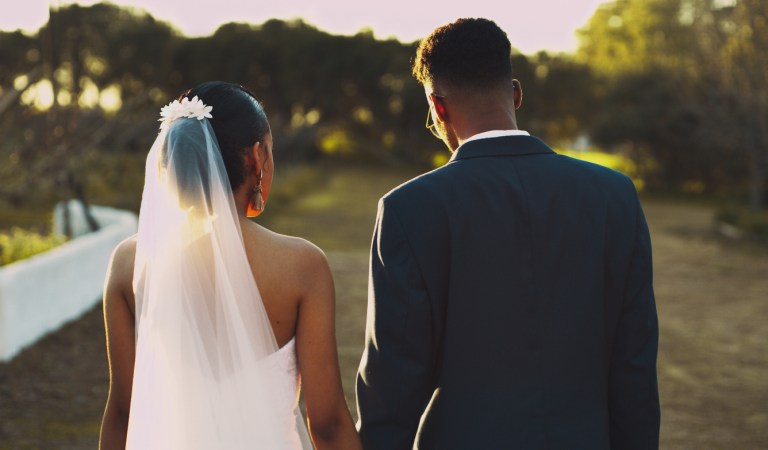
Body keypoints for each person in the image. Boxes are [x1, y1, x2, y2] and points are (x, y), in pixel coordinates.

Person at [356, 18, 660, 450]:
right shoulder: (615, 196)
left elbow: (393, 385)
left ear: (437, 107)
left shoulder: (409, 209)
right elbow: (634, 367)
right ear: (516, 92)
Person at [99, 81, 361, 450]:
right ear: (256, 158)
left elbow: (125, 414)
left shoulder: (130, 264)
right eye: (270, 152)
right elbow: (328, 424)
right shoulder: (302, 266)